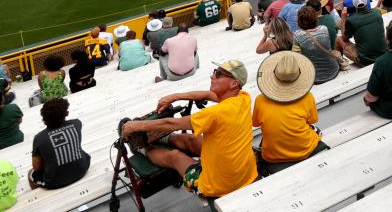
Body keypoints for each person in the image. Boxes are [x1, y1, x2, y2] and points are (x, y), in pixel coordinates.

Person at [121, 60, 258, 199]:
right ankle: (166, 138)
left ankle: (143, 148)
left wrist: (136, 126)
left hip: (217, 185)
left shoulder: (216, 113)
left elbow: (172, 123)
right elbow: (208, 95)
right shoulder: (243, 97)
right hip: (245, 173)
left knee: (174, 156)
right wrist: (175, 96)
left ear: (234, 83)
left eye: (218, 74)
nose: (212, 76)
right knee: (193, 139)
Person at [253, 51, 328, 174]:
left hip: (273, 156)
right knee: (315, 129)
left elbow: (256, 123)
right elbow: (312, 121)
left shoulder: (260, 100)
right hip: (305, 150)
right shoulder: (308, 97)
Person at [28, 98, 90, 189]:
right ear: (66, 114)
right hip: (82, 169)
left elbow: (37, 167)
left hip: (53, 182)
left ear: (44, 118)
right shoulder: (77, 124)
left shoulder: (39, 138)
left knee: (31, 173)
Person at [292, 6, 341, 84]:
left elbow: (296, 56)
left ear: (299, 21)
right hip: (333, 70)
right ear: (315, 18)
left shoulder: (297, 35)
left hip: (314, 77)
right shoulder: (324, 29)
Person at [336, 0, 387, 67]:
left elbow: (344, 38)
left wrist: (343, 18)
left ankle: (339, 65)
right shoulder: (377, 13)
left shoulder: (352, 20)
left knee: (338, 39)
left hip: (365, 60)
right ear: (366, 1)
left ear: (354, 4)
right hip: (383, 55)